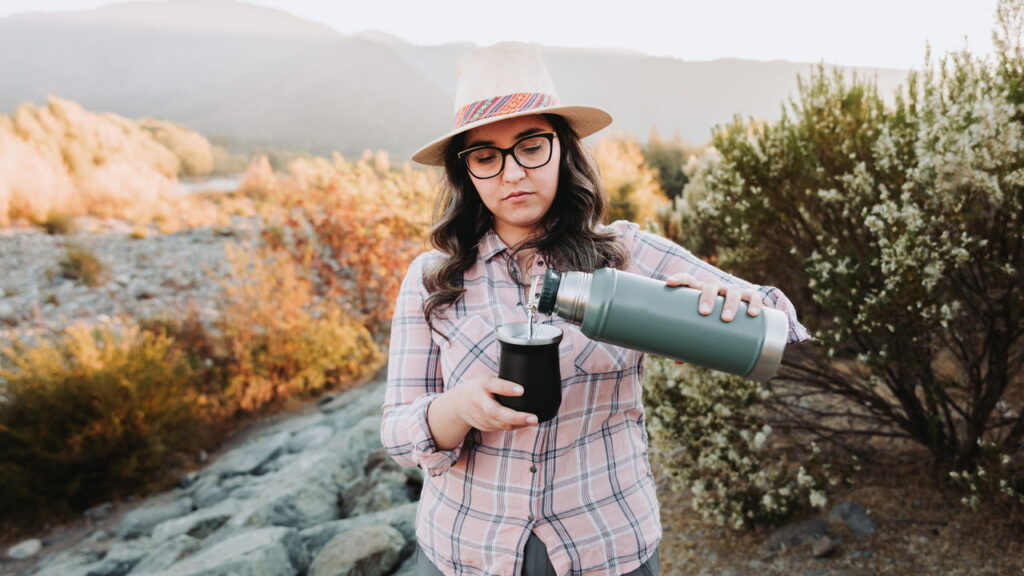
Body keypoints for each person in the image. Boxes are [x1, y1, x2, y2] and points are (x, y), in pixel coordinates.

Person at [381, 42, 810, 576]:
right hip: (466, 551)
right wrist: (460, 410)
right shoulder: (432, 276)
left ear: (562, 149)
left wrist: (731, 309)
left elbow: (780, 322)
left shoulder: (628, 253)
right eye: (486, 156)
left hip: (606, 549)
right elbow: (398, 433)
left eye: (530, 146)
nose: (512, 173)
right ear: (466, 172)